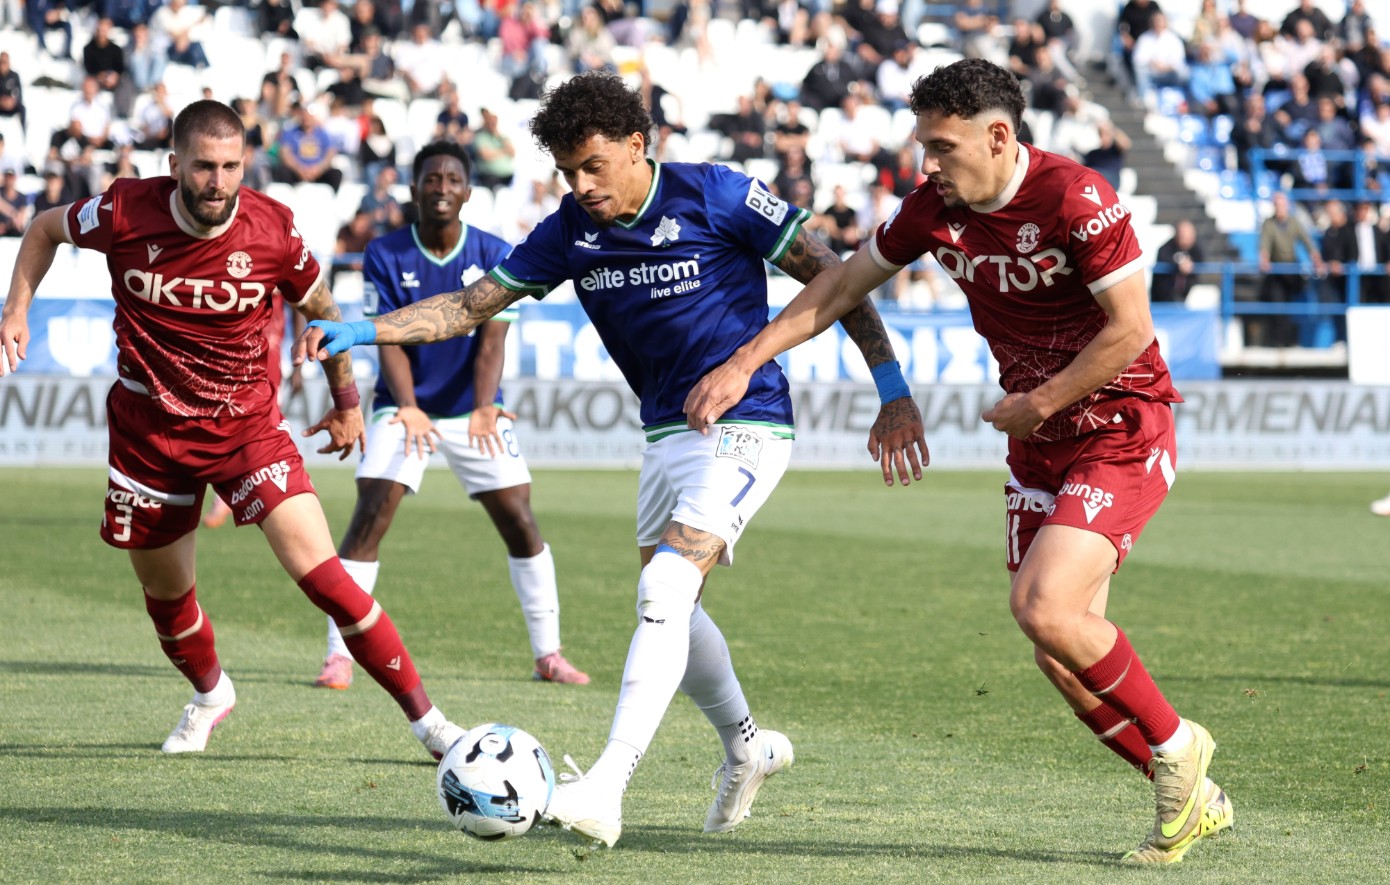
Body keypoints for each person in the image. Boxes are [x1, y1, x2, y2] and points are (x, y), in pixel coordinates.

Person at [298, 70, 927, 847]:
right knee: (674, 606)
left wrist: (891, 387)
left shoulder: (716, 194)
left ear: (637, 144)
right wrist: (366, 331)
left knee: (665, 585)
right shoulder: (569, 228)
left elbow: (837, 276)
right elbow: (467, 306)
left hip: (749, 419)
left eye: (594, 166)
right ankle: (747, 746)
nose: (583, 186)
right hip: (665, 432)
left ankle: (606, 784)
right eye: (568, 171)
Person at [684, 58, 1233, 865]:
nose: (928, 163)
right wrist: (745, 362)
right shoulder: (931, 210)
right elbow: (839, 286)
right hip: (1038, 441)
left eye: (943, 147)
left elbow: (1131, 331)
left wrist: (1042, 399)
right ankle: (1189, 794)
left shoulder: (1076, 197)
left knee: (1043, 607)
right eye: (924, 145)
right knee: (1060, 650)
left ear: (999, 136)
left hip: (1120, 423)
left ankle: (1181, 745)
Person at [0, 100, 465, 760]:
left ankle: (434, 727)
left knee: (327, 580)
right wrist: (16, 309)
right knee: (167, 598)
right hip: (148, 432)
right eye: (203, 167)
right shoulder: (125, 210)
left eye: (230, 167)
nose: (217, 182)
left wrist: (346, 402)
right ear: (174, 165)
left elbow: (324, 310)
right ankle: (210, 693)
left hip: (245, 427)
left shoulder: (272, 228)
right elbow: (44, 228)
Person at [311, 141, 590, 691]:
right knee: (371, 513)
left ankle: (549, 655)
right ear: (414, 189)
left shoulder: (493, 249)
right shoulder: (384, 252)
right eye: (432, 178)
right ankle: (338, 656)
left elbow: (492, 342)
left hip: (473, 408)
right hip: (403, 406)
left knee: (520, 519)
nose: (442, 187)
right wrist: (409, 407)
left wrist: (485, 407)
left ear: (468, 191)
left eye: (452, 179)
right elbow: (389, 339)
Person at [1255, 191, 1324, 347]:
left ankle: (1291, 340)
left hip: (1291, 270)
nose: (1280, 208)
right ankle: (1279, 341)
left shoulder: (1294, 222)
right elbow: (1264, 245)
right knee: (1277, 304)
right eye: (1277, 205)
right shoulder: (1269, 223)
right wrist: (1264, 260)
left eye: (1282, 205)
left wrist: (1317, 261)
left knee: (1293, 305)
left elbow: (1308, 243)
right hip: (1276, 271)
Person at [1150, 219, 1203, 303]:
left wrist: (1190, 266)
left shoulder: (1196, 249)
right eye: (1183, 235)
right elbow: (1163, 259)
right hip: (1163, 298)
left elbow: (1200, 261)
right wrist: (1178, 266)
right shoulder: (1166, 248)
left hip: (1184, 297)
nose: (1187, 239)